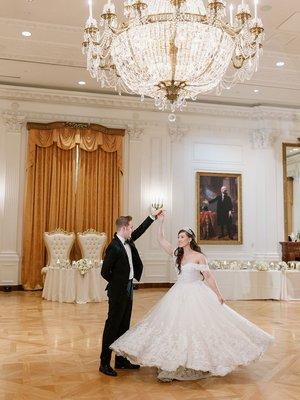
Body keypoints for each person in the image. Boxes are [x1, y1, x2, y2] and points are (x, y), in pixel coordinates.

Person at [110, 212, 274, 382]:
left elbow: (209, 276)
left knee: (197, 328)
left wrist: (219, 295)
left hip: (196, 295)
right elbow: (161, 240)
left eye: (182, 237)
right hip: (178, 294)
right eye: (178, 237)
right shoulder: (176, 254)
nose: (179, 239)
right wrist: (161, 222)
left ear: (189, 239)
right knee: (175, 328)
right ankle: (176, 361)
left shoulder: (198, 257)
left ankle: (196, 361)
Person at [99, 209, 163, 377]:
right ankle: (104, 363)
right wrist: (118, 284)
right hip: (118, 291)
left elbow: (141, 229)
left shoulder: (128, 240)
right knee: (112, 326)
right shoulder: (113, 247)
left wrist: (152, 216)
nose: (133, 230)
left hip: (129, 289)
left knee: (124, 326)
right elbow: (105, 272)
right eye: (131, 227)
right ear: (124, 228)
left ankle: (120, 360)